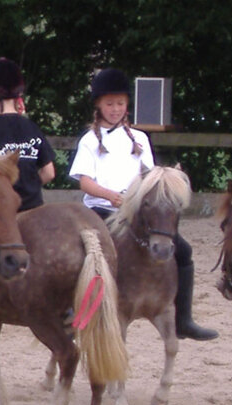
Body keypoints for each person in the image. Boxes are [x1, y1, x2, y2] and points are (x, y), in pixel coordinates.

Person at [68, 67, 217, 341]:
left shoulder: (139, 139)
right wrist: (110, 195)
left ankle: (183, 318)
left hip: (136, 211)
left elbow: (150, 177)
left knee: (182, 249)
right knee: (87, 251)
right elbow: (85, 182)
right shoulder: (90, 141)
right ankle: (72, 307)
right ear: (98, 105)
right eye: (110, 104)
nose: (115, 109)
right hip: (102, 209)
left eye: (120, 104)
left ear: (127, 106)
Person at [0, 57, 56, 211]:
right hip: (35, 208)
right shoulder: (32, 127)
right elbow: (49, 173)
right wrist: (30, 186)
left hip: (5, 211)